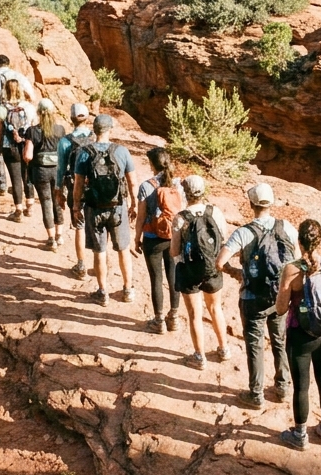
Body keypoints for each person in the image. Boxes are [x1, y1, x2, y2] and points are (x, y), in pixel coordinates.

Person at [218, 184, 297, 410]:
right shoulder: (287, 228)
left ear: (251, 204)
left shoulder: (244, 232)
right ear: (271, 204)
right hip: (279, 297)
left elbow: (220, 262)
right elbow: (297, 260)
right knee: (280, 341)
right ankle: (283, 387)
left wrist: (236, 273)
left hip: (252, 298)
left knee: (255, 346)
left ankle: (256, 394)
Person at [274, 218, 321, 450]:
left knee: (301, 386)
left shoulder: (292, 270)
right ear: (320, 239)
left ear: (300, 242)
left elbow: (281, 308)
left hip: (301, 335)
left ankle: (300, 435)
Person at [72, 114, 138, 306]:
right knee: (123, 249)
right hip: (117, 207)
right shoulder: (122, 151)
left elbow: (78, 184)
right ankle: (127, 290)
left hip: (94, 208)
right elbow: (132, 181)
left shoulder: (84, 152)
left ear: (95, 130)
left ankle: (103, 292)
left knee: (99, 251)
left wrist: (77, 206)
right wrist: (133, 204)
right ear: (110, 129)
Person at [170, 175, 231, 369]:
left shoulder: (180, 218)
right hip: (212, 268)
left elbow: (174, 250)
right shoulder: (215, 212)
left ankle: (199, 357)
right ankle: (224, 349)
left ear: (185, 193)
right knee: (215, 309)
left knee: (194, 314)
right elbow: (223, 239)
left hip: (189, 270)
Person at [132, 147, 182, 334]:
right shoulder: (178, 185)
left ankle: (159, 320)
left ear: (152, 164)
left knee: (156, 278)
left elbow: (141, 217)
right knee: (173, 277)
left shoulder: (146, 186)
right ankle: (174, 318)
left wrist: (137, 238)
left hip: (152, 238)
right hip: (174, 237)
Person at [0, 55, 37, 195]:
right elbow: (32, 97)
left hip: (0, 116)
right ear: (9, 64)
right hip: (21, 121)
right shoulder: (19, 77)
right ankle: (26, 187)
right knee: (22, 149)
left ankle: (2, 184)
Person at [58, 103, 95, 276]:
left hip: (75, 187)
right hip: (96, 188)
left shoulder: (66, 141)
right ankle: (99, 263)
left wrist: (59, 190)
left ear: (71, 118)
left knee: (79, 226)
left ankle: (81, 266)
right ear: (87, 118)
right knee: (96, 226)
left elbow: (60, 168)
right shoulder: (95, 138)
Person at [0, 80, 37, 223]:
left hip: (9, 147)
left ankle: (18, 210)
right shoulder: (28, 107)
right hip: (27, 145)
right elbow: (35, 126)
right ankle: (30, 207)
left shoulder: (2, 109)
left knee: (15, 178)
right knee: (28, 175)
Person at [27, 98, 66, 247]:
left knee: (46, 202)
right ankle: (59, 235)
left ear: (38, 113)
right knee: (57, 201)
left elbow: (28, 155)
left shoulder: (32, 131)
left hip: (40, 171)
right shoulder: (60, 130)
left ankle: (51, 240)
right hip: (57, 170)